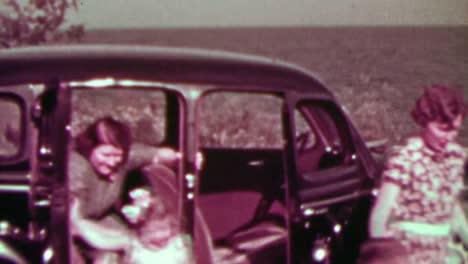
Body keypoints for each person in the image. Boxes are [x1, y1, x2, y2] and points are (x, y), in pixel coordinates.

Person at [367, 84, 468, 263]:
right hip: (408, 252)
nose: (449, 137)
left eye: (455, 130)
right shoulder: (407, 158)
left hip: (442, 253)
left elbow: (451, 208)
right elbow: (380, 216)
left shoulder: (455, 157)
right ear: (424, 121)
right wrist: (384, 254)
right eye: (442, 129)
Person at [69, 117, 181, 263]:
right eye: (105, 155)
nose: (111, 162)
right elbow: (75, 225)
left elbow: (159, 155)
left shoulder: (125, 159)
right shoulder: (77, 167)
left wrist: (183, 158)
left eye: (116, 156)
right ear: (90, 148)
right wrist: (130, 241)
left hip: (100, 219)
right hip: (71, 228)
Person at [71, 187, 193, 264]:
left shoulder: (178, 244)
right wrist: (80, 224)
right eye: (153, 231)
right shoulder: (135, 243)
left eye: (164, 229)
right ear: (140, 232)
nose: (160, 236)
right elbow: (103, 238)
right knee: (107, 258)